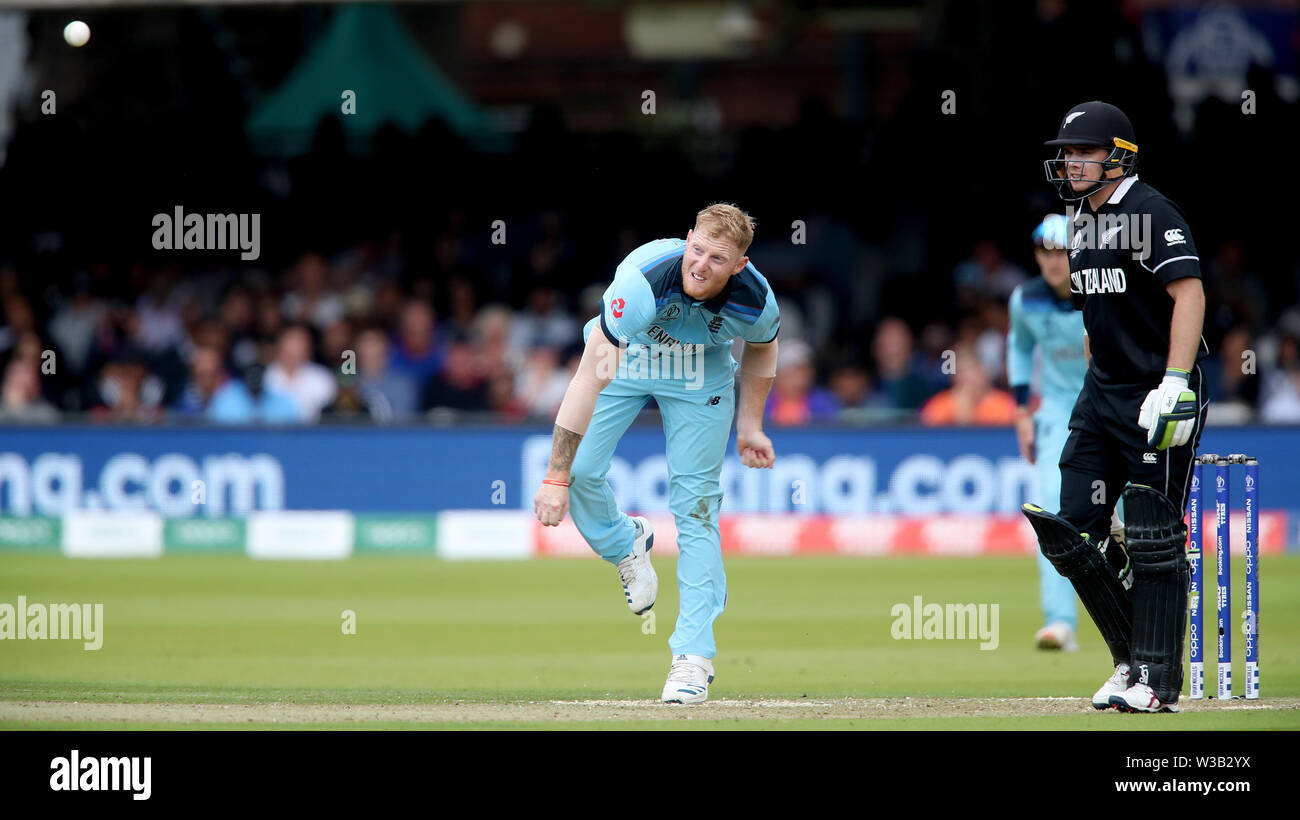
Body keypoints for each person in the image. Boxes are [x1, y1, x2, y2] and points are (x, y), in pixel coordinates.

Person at [533, 204, 780, 704]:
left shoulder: (756, 300)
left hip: (702, 375)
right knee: (579, 472)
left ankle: (693, 657)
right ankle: (625, 543)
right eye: (698, 250)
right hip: (629, 358)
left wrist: (750, 423)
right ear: (687, 239)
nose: (701, 265)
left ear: (739, 265)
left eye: (718, 259)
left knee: (697, 511)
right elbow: (586, 380)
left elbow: (762, 347)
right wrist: (556, 476)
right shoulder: (642, 284)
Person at [1023, 101, 1208, 713]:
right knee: (1076, 530)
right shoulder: (1079, 220)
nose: (1070, 163)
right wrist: (1089, 385)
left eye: (1084, 152)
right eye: (1067, 153)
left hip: (1157, 394)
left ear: (1119, 156)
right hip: (1100, 396)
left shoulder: (1152, 212)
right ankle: (1130, 660)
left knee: (1153, 537)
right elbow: (1094, 317)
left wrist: (1176, 381)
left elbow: (1190, 292)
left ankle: (1157, 679)